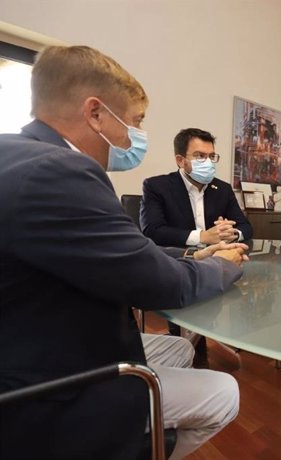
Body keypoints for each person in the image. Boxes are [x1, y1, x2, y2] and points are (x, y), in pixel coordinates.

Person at [0, 45, 248, 460]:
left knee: (181, 347)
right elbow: (159, 285)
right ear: (95, 113)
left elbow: (127, 251)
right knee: (224, 392)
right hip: (49, 384)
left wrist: (190, 257)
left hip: (36, 337)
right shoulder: (61, 172)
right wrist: (224, 265)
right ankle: (133, 448)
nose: (135, 136)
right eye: (135, 122)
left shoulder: (18, 153)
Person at [140, 127, 253, 248]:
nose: (208, 162)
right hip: (177, 259)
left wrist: (231, 233)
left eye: (211, 156)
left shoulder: (223, 188)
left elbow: (246, 227)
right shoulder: (156, 186)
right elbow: (153, 231)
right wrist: (202, 237)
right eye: (200, 156)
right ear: (180, 161)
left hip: (217, 257)